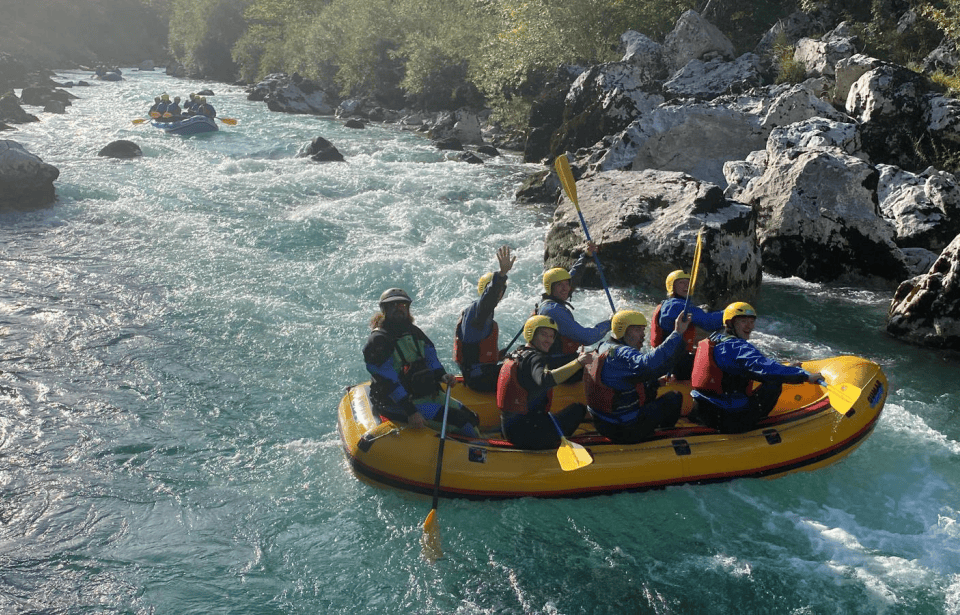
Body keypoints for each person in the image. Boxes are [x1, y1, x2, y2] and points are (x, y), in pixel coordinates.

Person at [363, 288, 480, 437]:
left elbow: (431, 359)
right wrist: (411, 412)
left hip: (424, 395)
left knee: (472, 418)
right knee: (462, 422)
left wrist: (441, 375)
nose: (398, 308)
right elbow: (388, 382)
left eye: (402, 305)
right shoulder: (378, 341)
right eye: (392, 305)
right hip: (399, 404)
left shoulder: (414, 332)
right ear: (384, 310)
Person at [690, 302, 822, 433]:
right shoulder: (736, 347)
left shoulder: (715, 339)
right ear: (730, 323)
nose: (749, 326)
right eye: (743, 321)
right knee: (773, 381)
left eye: (751, 321)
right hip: (727, 419)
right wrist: (805, 376)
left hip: (702, 410)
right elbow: (765, 369)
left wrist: (786, 368)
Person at [584, 309, 693, 443]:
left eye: (643, 330)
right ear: (622, 331)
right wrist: (677, 333)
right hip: (624, 429)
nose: (642, 335)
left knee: (651, 387)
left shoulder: (605, 346)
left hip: (602, 423)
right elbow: (649, 364)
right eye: (637, 330)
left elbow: (624, 379)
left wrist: (656, 383)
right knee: (674, 397)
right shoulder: (621, 354)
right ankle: (666, 436)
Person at [496, 315, 594, 449]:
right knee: (578, 409)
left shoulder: (517, 353)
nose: (549, 340)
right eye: (543, 335)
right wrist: (578, 363)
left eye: (551, 336)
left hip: (510, 430)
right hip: (531, 435)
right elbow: (544, 380)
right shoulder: (535, 358)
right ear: (531, 334)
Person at [536, 242, 612, 370]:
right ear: (551, 287)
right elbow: (586, 338)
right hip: (558, 364)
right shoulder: (553, 311)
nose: (565, 288)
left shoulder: (550, 298)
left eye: (567, 284)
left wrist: (585, 256)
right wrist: (610, 323)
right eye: (560, 285)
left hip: (560, 358)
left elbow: (573, 277)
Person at [454, 245, 516, 392]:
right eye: (498, 289)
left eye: (502, 290)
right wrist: (501, 274)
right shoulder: (478, 310)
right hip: (479, 378)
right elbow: (489, 298)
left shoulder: (481, 314)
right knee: (523, 368)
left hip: (480, 373)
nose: (500, 293)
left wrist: (496, 356)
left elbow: (475, 351)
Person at [650, 269, 724, 380]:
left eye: (689, 283)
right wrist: (730, 313)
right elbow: (709, 322)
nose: (687, 286)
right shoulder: (675, 306)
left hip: (667, 359)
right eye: (681, 283)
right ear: (672, 286)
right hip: (672, 364)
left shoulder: (669, 304)